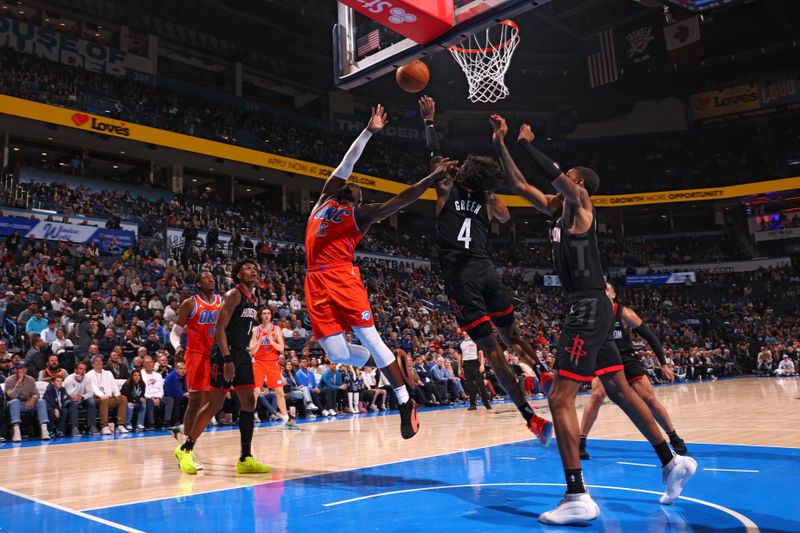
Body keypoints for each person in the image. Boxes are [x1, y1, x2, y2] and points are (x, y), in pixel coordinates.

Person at [490, 114, 696, 525]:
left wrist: (530, 143)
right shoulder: (556, 210)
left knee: (559, 398)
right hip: (593, 307)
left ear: (578, 184)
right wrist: (502, 143)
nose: (561, 180)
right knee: (618, 388)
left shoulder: (582, 205)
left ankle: (576, 494)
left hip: (586, 306)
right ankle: (670, 460)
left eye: (567, 176)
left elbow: (557, 181)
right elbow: (517, 185)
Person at [304, 105, 457, 440]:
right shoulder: (324, 200)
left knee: (369, 337)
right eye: (351, 183)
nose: (353, 183)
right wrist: (369, 131)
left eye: (358, 187)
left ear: (359, 199)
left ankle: (405, 400)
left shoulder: (362, 214)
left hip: (342, 276)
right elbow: (347, 162)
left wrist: (431, 178)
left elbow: (402, 199)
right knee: (336, 353)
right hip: (314, 279)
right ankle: (390, 364)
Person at [420, 95, 552, 444]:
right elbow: (507, 215)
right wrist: (490, 193)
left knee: (493, 352)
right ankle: (543, 373)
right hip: (487, 271)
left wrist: (430, 121)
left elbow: (434, 156)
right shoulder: (486, 199)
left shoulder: (446, 190)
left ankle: (530, 418)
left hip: (462, 280)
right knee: (512, 336)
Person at [175, 259, 270, 475]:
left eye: (255, 268)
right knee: (214, 403)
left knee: (249, 401)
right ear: (238, 275)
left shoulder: (253, 299)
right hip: (224, 354)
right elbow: (219, 328)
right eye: (247, 268)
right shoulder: (233, 295)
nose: (253, 270)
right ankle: (185, 448)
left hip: (241, 353)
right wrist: (227, 359)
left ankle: (245, 458)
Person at [579, 283, 688, 459]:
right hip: (606, 359)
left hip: (627, 358)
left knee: (649, 398)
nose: (603, 292)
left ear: (613, 295)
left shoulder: (624, 313)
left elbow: (650, 336)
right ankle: (581, 442)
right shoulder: (592, 316)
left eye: (607, 289)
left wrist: (664, 363)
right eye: (600, 290)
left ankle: (674, 437)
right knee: (597, 395)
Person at [170, 271, 221, 448]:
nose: (211, 279)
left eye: (212, 277)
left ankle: (183, 429)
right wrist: (177, 347)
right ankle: (186, 449)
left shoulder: (221, 302)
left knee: (212, 403)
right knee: (195, 402)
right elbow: (175, 333)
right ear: (198, 283)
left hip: (215, 355)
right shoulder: (190, 303)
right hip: (196, 356)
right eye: (207, 277)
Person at [249, 307, 295, 428]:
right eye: (264, 313)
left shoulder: (276, 329)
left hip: (272, 363)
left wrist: (272, 341)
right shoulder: (255, 330)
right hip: (258, 362)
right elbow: (251, 350)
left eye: (268, 313)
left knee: (279, 391)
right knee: (255, 391)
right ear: (260, 316)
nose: (266, 315)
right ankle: (248, 419)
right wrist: (259, 341)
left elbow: (281, 348)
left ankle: (286, 419)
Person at [5, 362, 50, 441]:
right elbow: (12, 396)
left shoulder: (30, 379)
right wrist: (19, 381)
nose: (23, 370)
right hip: (14, 404)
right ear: (15, 369)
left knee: (41, 401)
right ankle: (16, 431)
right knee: (15, 401)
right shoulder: (9, 380)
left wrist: (33, 398)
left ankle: (44, 429)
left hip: (28, 403)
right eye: (20, 368)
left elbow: (36, 393)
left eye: (25, 368)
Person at [86, 354, 128, 435]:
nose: (99, 362)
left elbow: (114, 385)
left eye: (100, 361)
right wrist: (101, 395)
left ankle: (120, 425)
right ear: (92, 364)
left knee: (123, 398)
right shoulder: (89, 375)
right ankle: (104, 426)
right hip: (97, 398)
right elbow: (93, 388)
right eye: (96, 361)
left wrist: (117, 393)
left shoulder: (108, 373)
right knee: (104, 400)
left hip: (108, 398)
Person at [460, 333, 491, 411]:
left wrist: (482, 365)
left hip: (475, 363)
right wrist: (459, 369)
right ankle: (472, 405)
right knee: (470, 386)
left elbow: (481, 354)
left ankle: (486, 403)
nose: (465, 333)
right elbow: (460, 357)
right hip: (466, 364)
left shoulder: (476, 341)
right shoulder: (461, 343)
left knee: (481, 384)